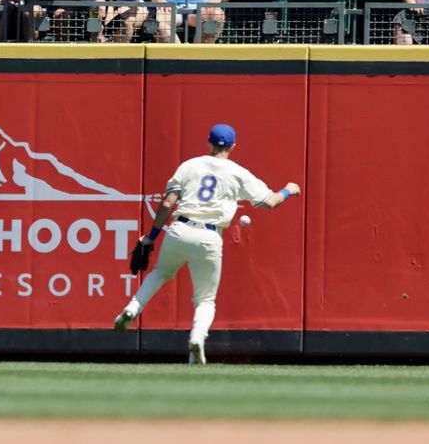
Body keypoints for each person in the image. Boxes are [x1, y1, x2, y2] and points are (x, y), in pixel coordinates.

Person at [113, 123, 301, 365]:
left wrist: (151, 236)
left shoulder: (189, 165)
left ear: (209, 142)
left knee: (160, 272)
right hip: (210, 237)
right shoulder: (238, 172)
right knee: (205, 299)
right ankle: (197, 339)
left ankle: (131, 309)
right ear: (233, 146)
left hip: (179, 229)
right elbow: (270, 202)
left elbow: (168, 204)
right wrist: (288, 190)